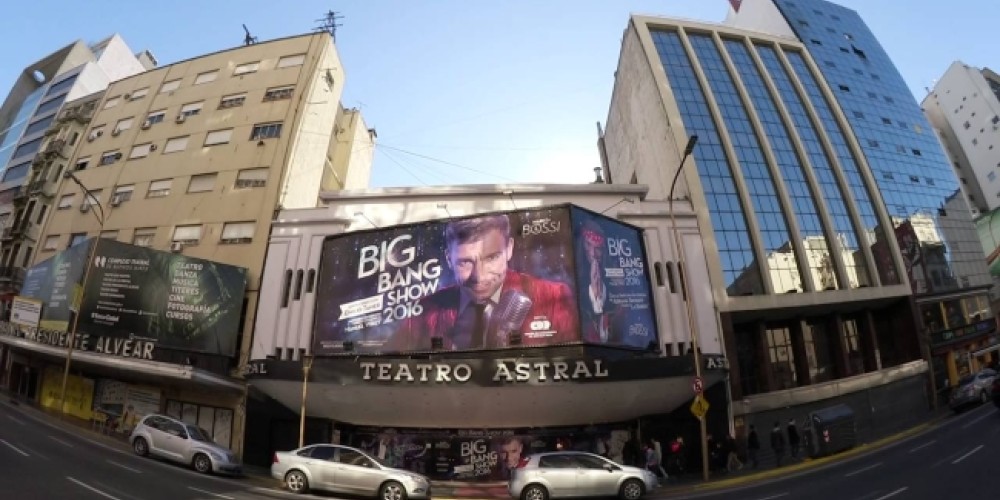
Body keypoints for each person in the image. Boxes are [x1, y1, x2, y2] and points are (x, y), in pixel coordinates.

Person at [387, 214, 578, 351]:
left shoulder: (554, 297)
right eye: (465, 262)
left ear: (509, 249)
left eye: (491, 258)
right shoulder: (425, 308)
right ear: (449, 259)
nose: (479, 276)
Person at [577, 220, 628, 344]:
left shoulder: (614, 272)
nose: (592, 254)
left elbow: (622, 307)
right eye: (588, 245)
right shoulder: (576, 270)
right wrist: (593, 291)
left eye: (598, 249)